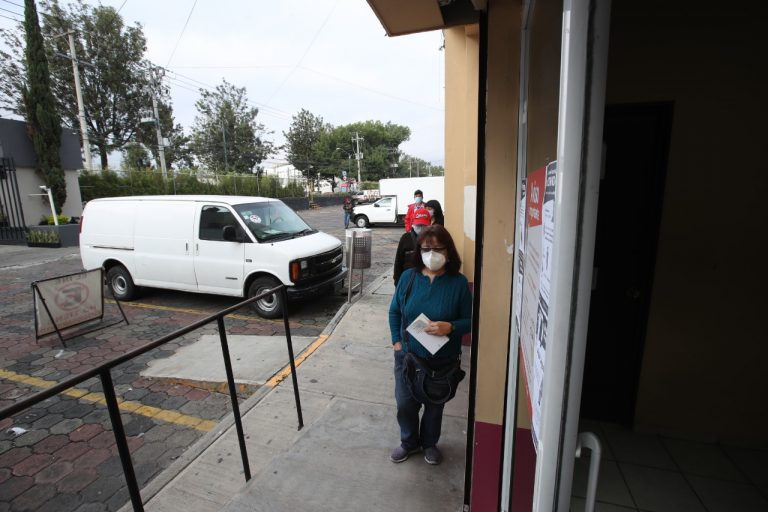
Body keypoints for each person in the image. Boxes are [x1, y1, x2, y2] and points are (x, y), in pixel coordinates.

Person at [388, 225, 472, 465]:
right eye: (426, 249)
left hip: (441, 361)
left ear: (448, 251)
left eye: (437, 248)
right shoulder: (408, 278)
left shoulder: (458, 283)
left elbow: (471, 320)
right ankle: (408, 442)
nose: (431, 253)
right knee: (405, 404)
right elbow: (394, 312)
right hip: (408, 356)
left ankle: (429, 443)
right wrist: (396, 343)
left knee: (435, 407)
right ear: (419, 250)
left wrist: (452, 327)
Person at [393, 208, 431, 286]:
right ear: (413, 224)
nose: (421, 228)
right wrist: (397, 281)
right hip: (407, 281)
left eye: (424, 225)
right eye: (418, 225)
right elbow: (398, 261)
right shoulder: (405, 238)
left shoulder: (433, 239)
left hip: (427, 281)